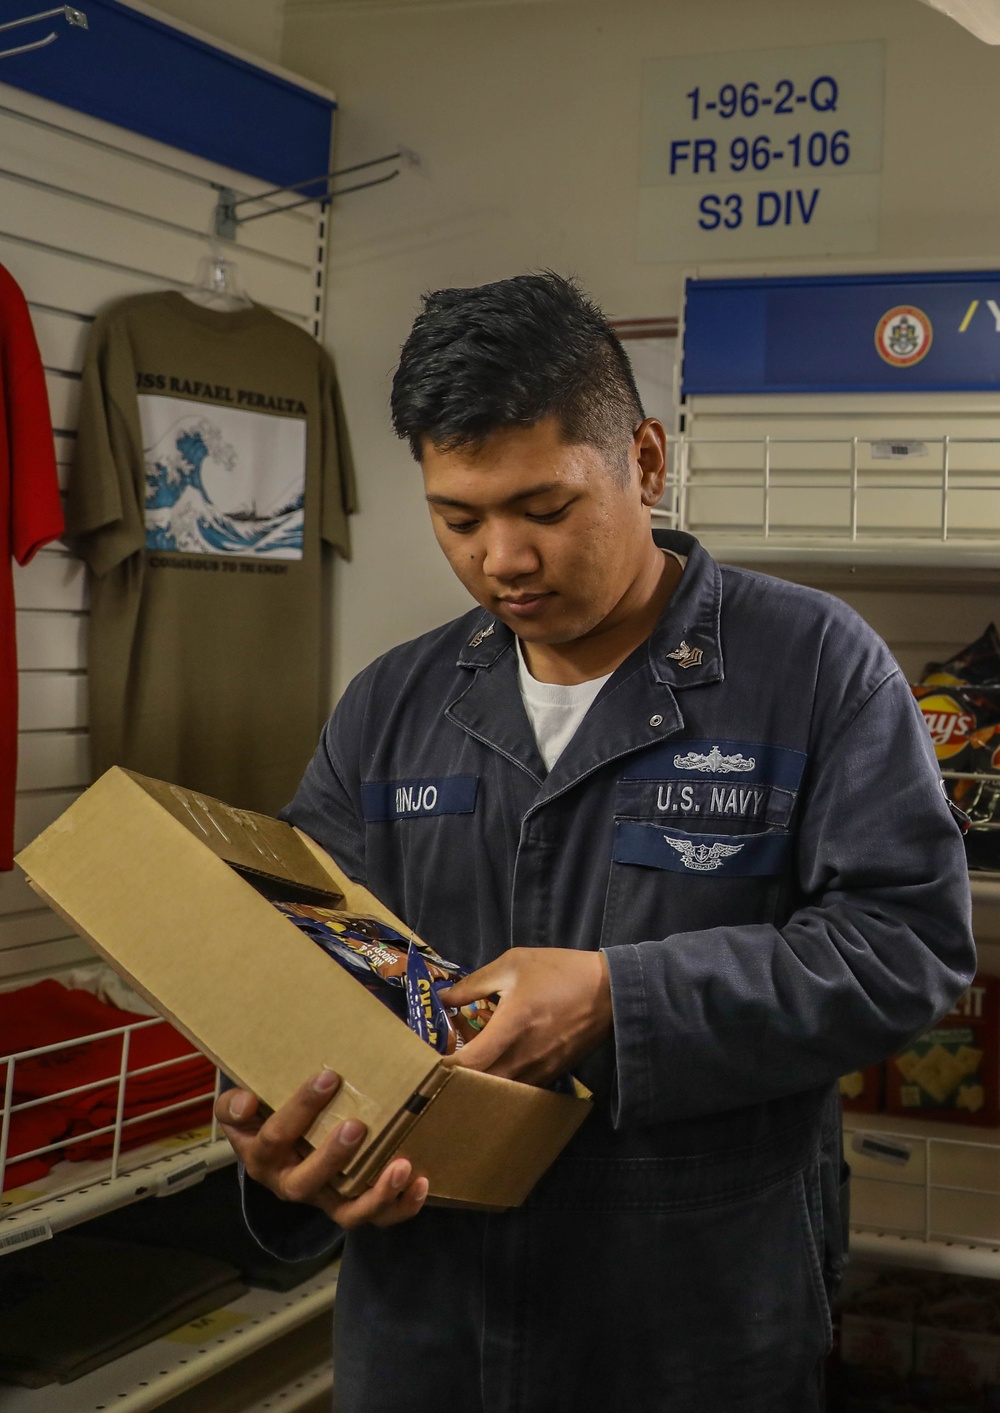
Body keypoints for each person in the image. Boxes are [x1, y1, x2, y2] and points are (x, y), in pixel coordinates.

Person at [215, 272, 975, 1412]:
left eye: (546, 508)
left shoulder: (816, 666)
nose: (502, 562)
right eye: (458, 519)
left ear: (647, 463)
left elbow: (903, 949)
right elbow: (305, 954)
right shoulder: (392, 702)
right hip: (427, 1322)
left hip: (690, 1320)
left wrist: (620, 997)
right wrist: (282, 1132)